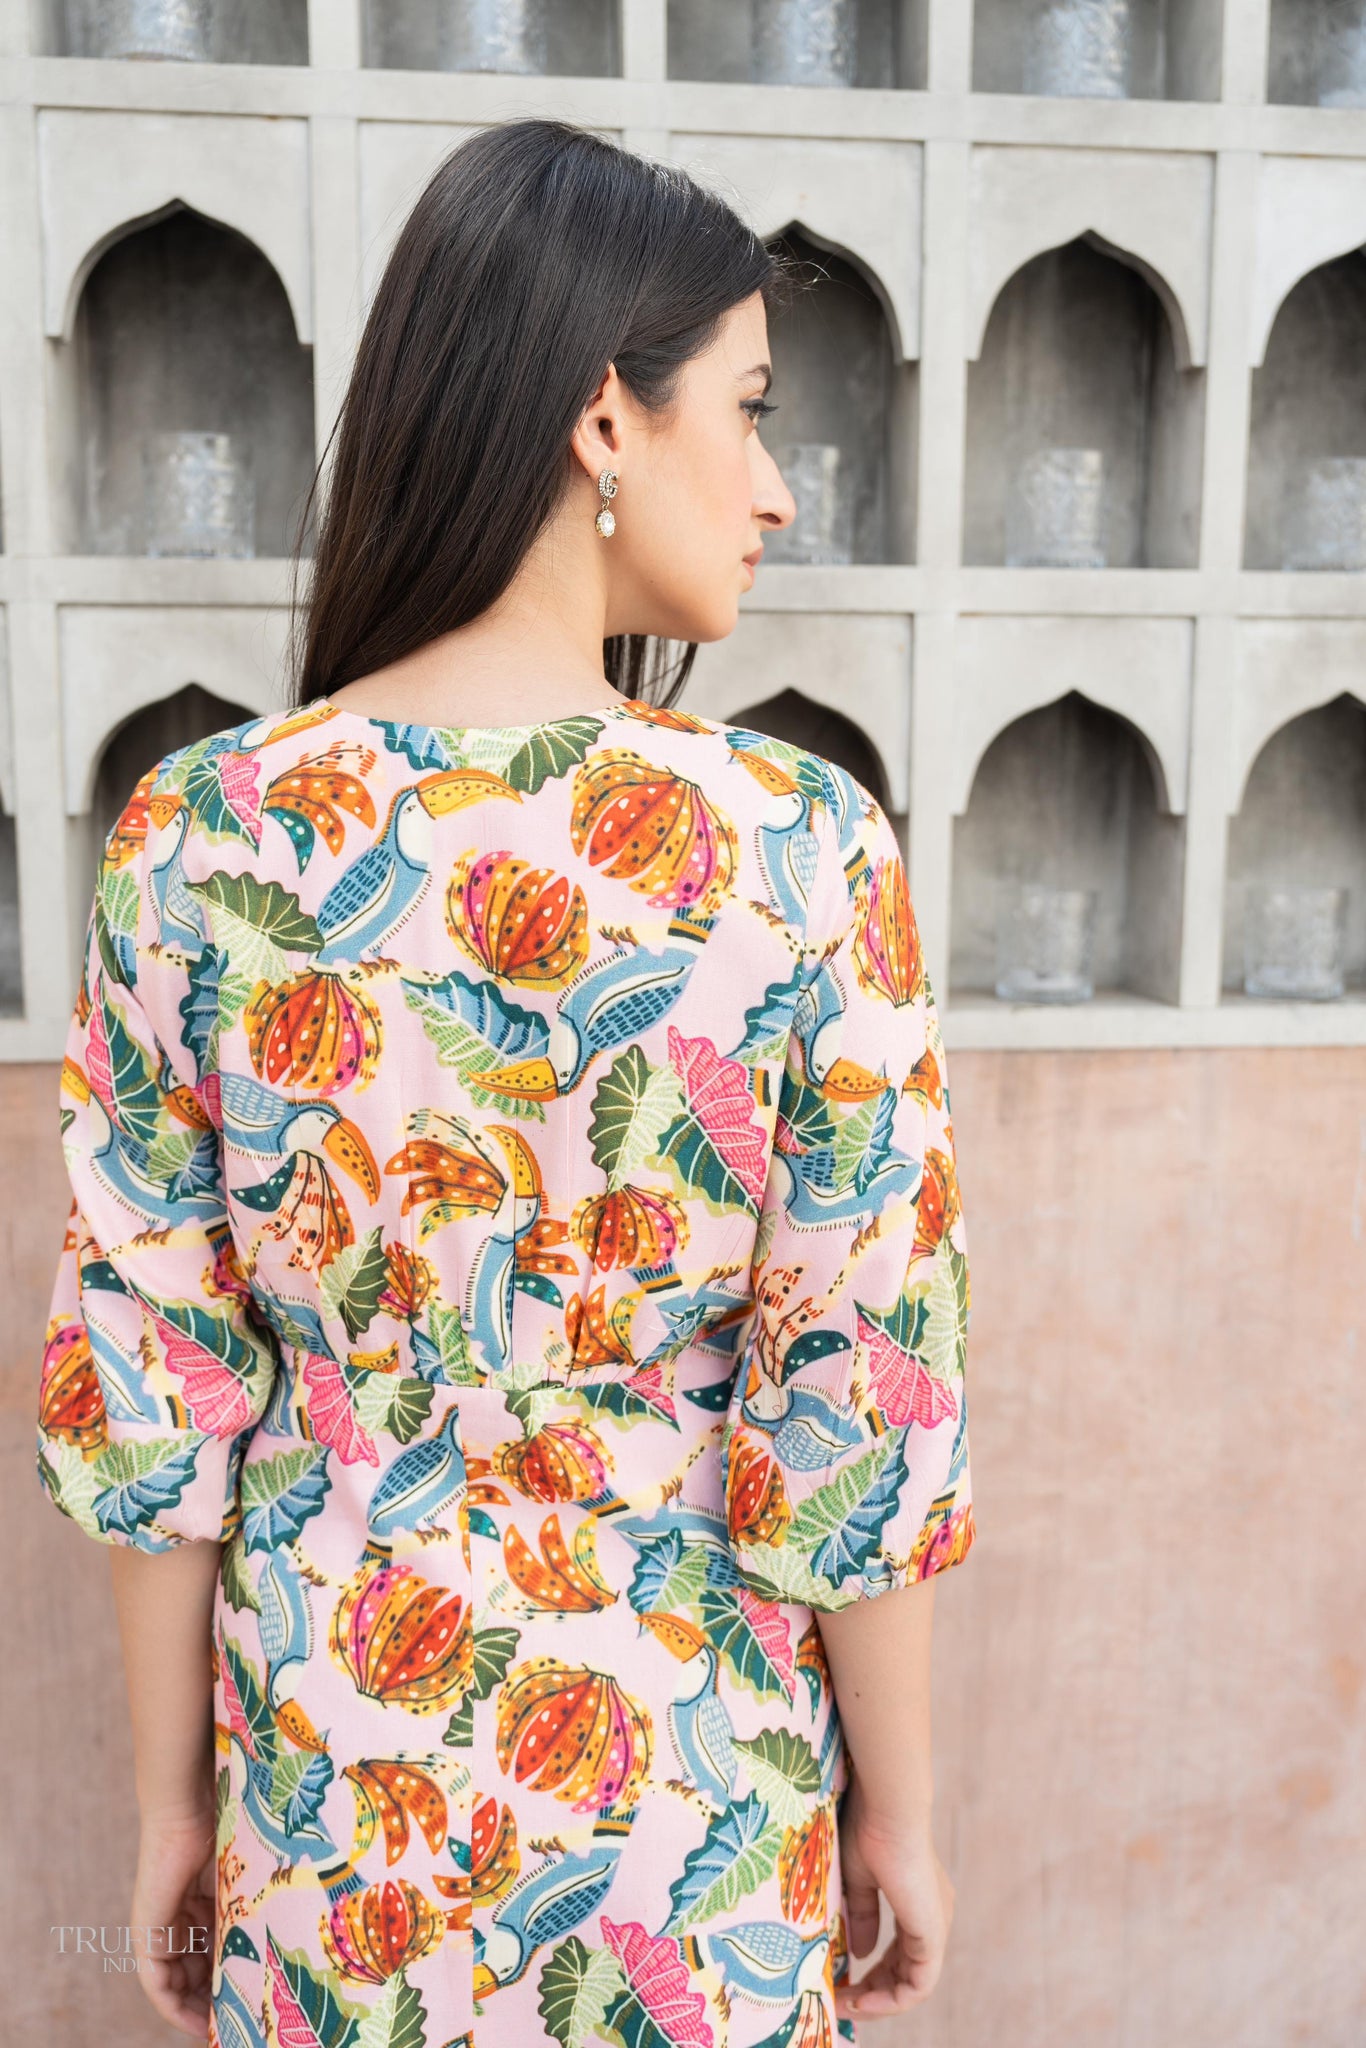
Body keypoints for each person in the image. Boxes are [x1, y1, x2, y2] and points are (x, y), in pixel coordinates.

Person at [35, 115, 976, 2047]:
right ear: (604, 419)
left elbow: (148, 1376)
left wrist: (171, 1811)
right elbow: (855, 1383)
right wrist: (899, 1809)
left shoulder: (198, 834)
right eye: (750, 408)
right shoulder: (799, 843)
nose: (777, 488)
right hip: (689, 1807)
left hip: (331, 1794)